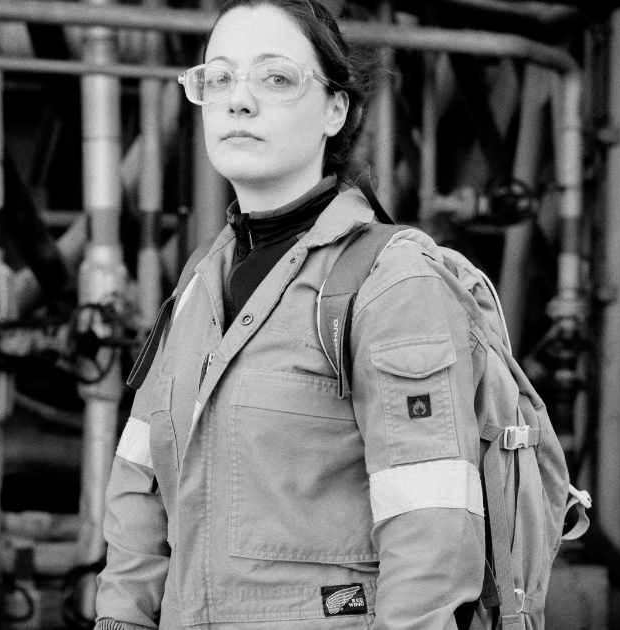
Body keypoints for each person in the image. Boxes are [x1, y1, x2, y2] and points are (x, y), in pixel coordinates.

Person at [95, 1, 487, 628]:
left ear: (337, 109)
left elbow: (432, 529)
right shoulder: (198, 287)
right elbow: (138, 499)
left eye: (275, 78)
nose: (238, 100)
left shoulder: (391, 284)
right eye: (218, 78)